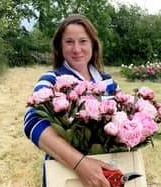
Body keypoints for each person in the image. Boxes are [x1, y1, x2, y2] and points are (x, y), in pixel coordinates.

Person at [24, 14, 119, 187]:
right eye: (69, 42)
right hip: (66, 172)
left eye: (83, 41)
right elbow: (32, 123)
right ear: (60, 47)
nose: (77, 49)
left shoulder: (108, 82)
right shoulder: (51, 79)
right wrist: (80, 164)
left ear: (93, 44)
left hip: (106, 171)